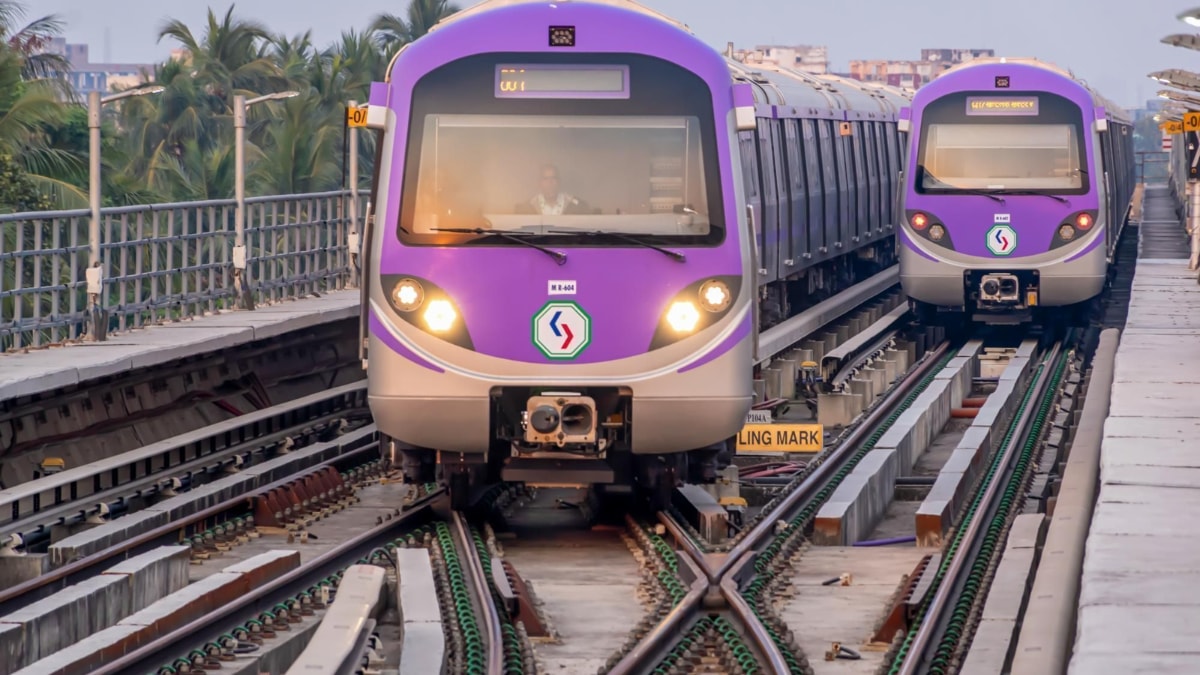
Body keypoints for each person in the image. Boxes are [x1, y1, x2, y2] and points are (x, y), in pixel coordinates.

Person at [522, 164, 589, 215]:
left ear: (559, 181)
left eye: (553, 178)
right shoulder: (527, 207)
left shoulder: (577, 205)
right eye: (546, 179)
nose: (550, 182)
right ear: (540, 183)